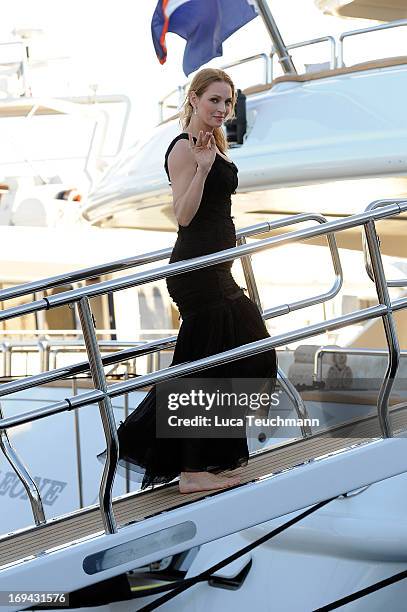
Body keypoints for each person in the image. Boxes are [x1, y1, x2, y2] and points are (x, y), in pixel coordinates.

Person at [109, 68, 277, 494]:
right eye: (215, 100)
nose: (222, 109)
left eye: (228, 102)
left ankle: (202, 462)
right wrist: (202, 171)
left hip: (216, 266)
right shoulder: (185, 149)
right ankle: (188, 468)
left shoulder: (212, 144)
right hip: (198, 270)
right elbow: (183, 215)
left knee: (220, 363)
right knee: (234, 359)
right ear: (194, 99)